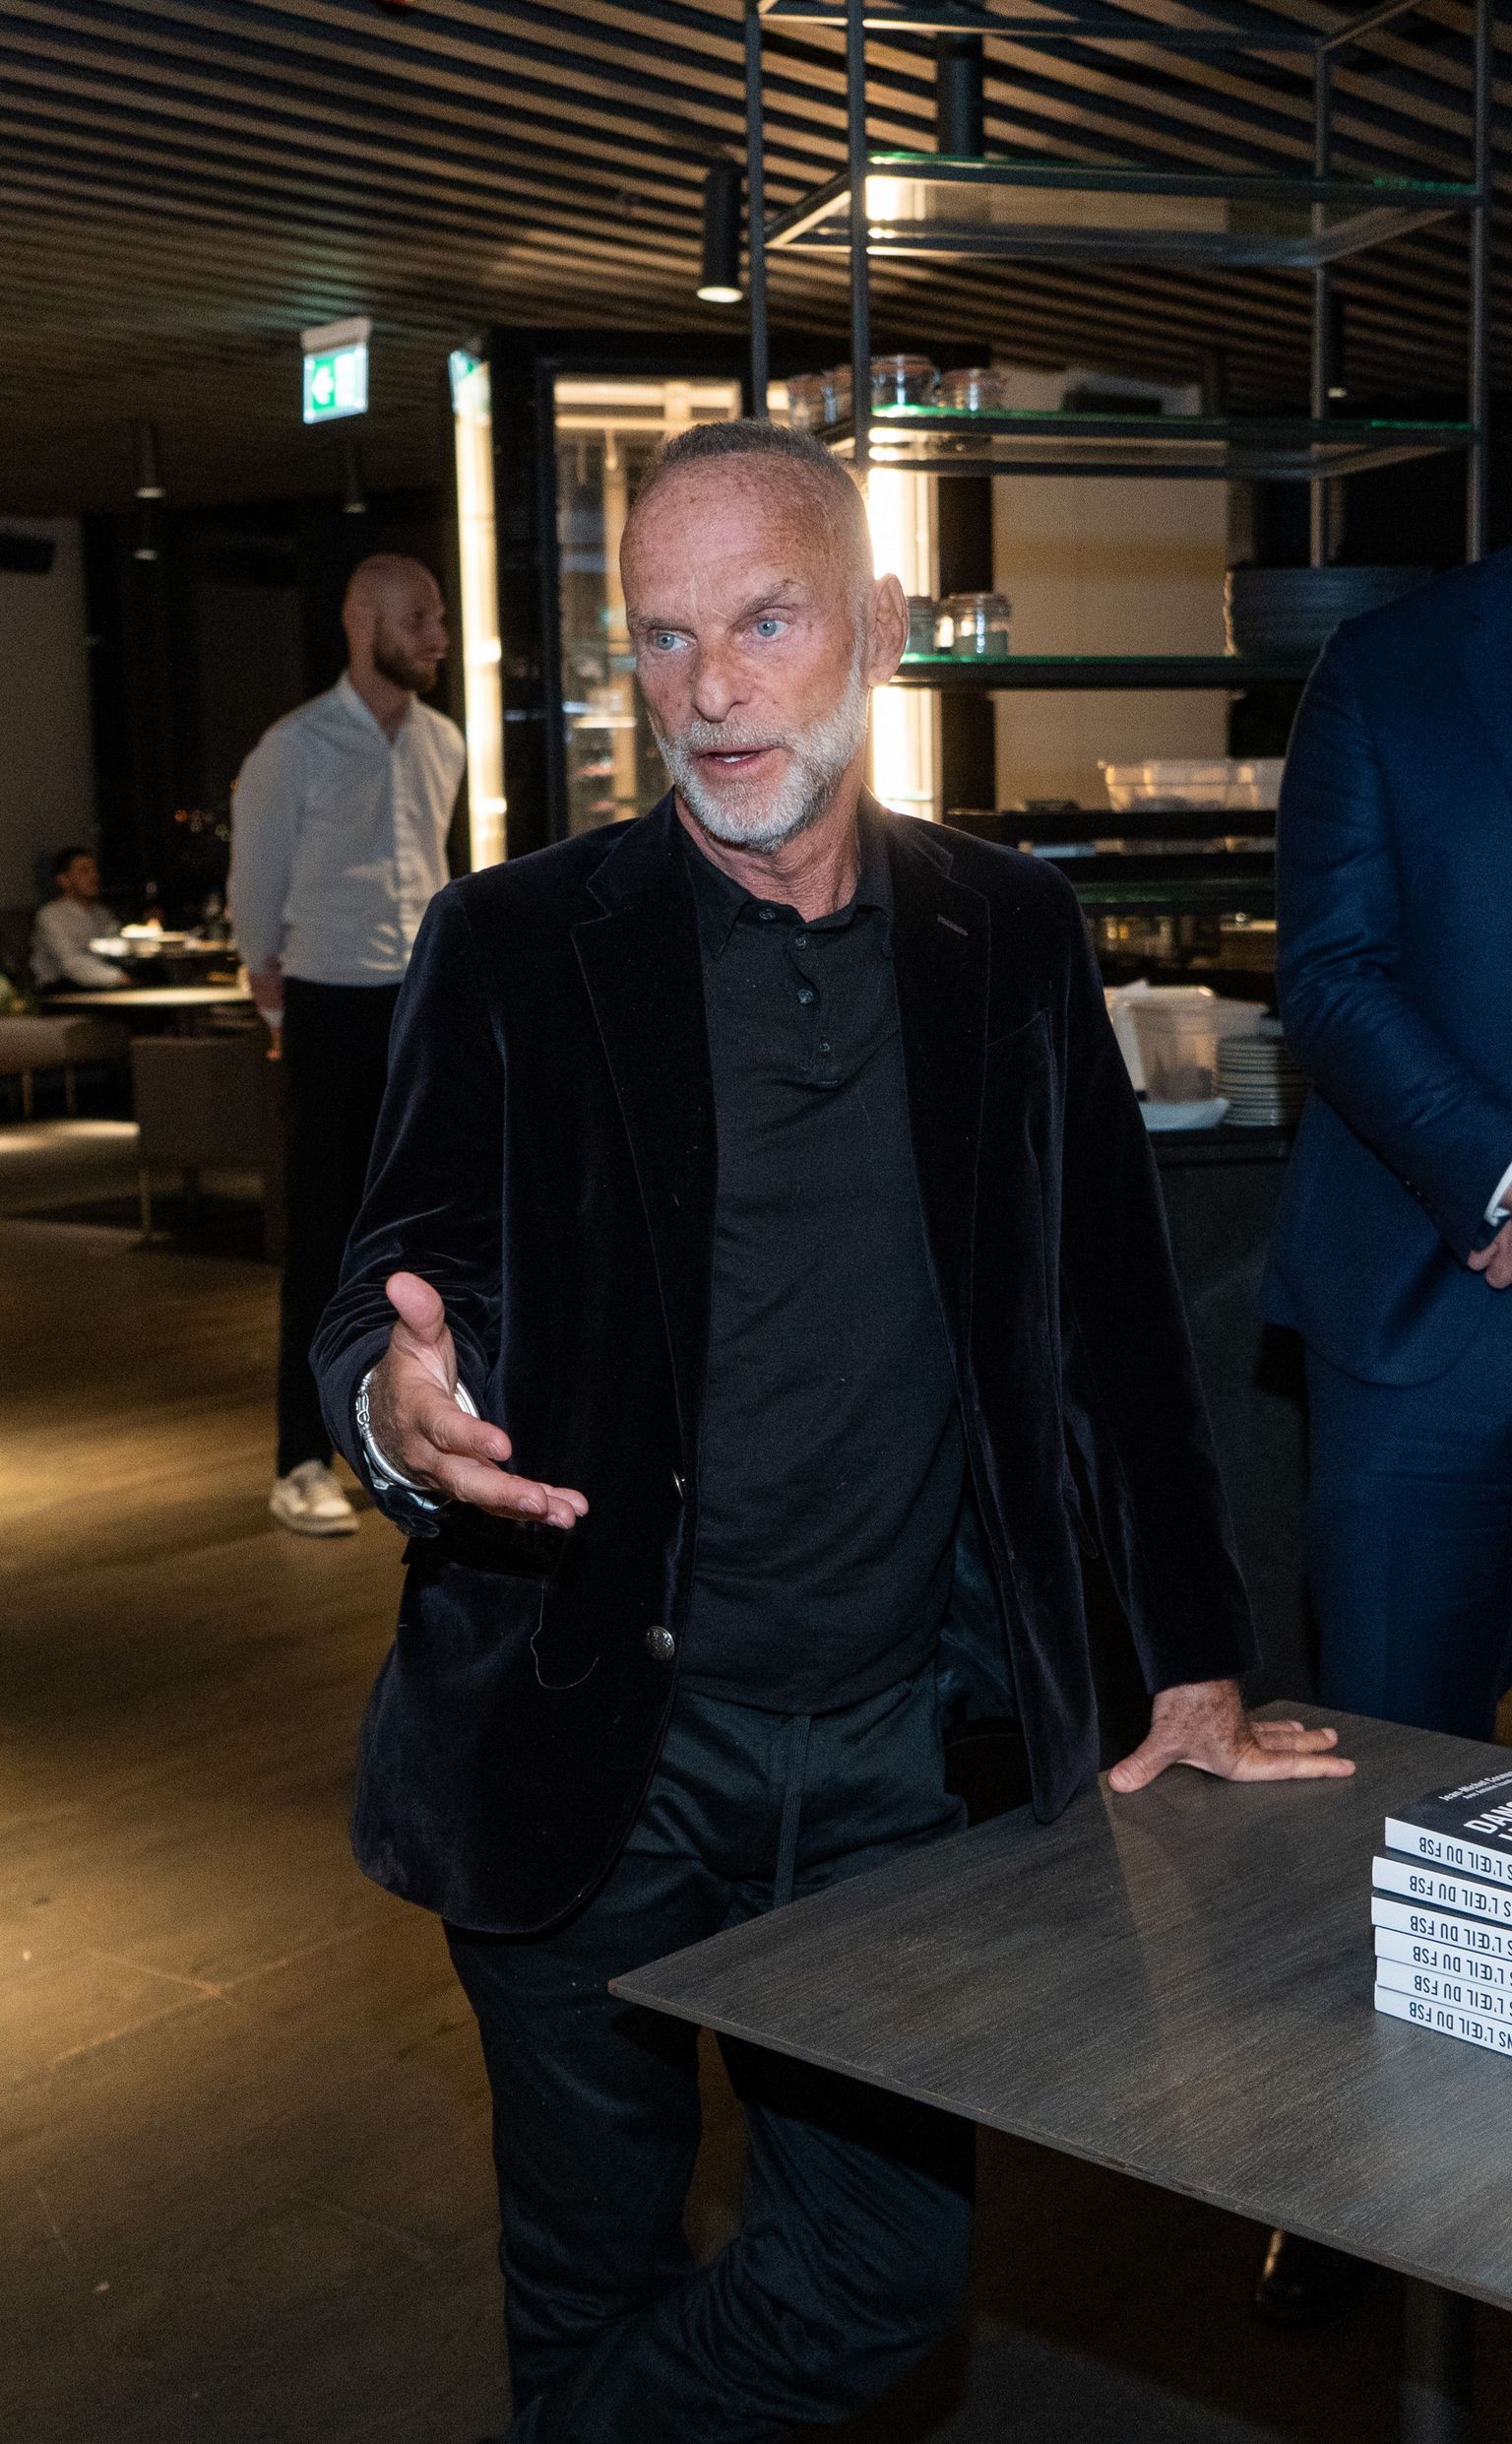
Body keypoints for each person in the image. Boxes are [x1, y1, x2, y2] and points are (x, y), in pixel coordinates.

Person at [312, 421, 1352, 2444]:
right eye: (665, 637)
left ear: (878, 624)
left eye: (765, 622)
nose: (709, 689)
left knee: (882, 2271)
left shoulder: (1009, 930)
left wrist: (1195, 1657)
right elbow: (389, 1282)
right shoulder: (516, 940)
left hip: (899, 1757)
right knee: (587, 2272)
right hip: (585, 1738)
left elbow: (1118, 1329)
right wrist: (391, 1408)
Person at [1257, 547, 1512, 2327]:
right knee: (1401, 1774)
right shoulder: (1391, 666)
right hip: (1435, 1307)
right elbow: (1332, 971)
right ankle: (1362, 2183)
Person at [228, 553, 464, 1538]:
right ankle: (300, 1462)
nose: (438, 636)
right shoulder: (292, 749)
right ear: (361, 620)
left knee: (431, 1236)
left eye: (439, 617)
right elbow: (255, 898)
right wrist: (278, 1010)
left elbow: (438, 876)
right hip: (328, 1008)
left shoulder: (443, 741)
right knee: (324, 1240)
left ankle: (418, 1438)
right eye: (419, 618)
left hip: (422, 1008)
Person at [31, 847, 127, 992]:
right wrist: (117, 977)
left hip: (99, 982)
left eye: (94, 870)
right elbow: (70, 964)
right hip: (60, 988)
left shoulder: (102, 913)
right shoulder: (50, 915)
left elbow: (117, 947)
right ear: (63, 880)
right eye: (84, 871)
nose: (94, 876)